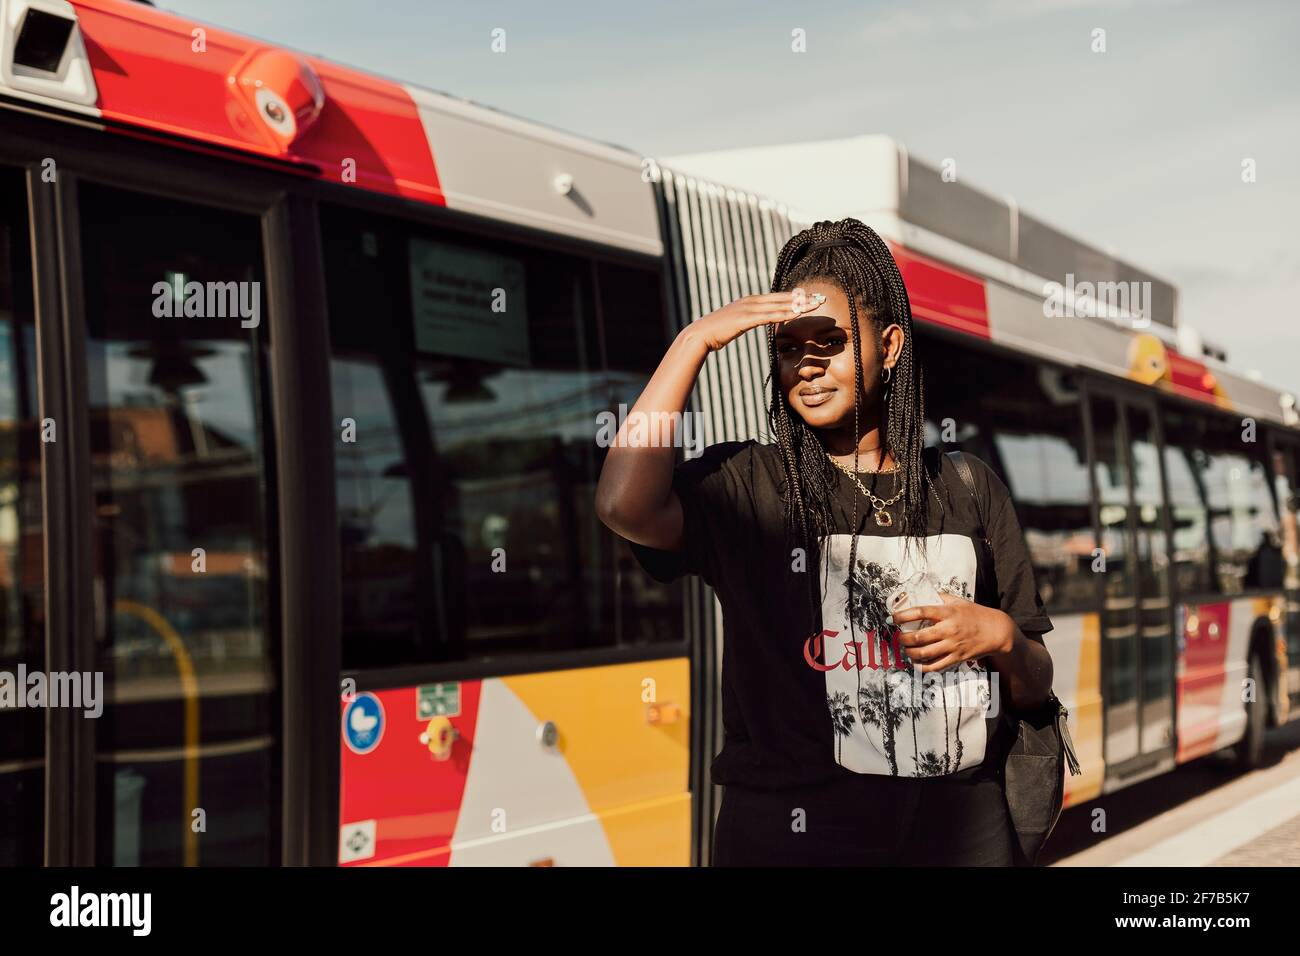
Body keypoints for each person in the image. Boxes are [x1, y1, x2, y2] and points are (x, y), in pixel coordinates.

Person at [595, 217, 1055, 866]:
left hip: (960, 835)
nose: (807, 365)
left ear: (890, 346)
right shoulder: (751, 486)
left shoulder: (968, 486)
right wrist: (693, 343)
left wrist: (1001, 636)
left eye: (830, 341)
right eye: (787, 347)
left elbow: (1035, 682)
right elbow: (622, 503)